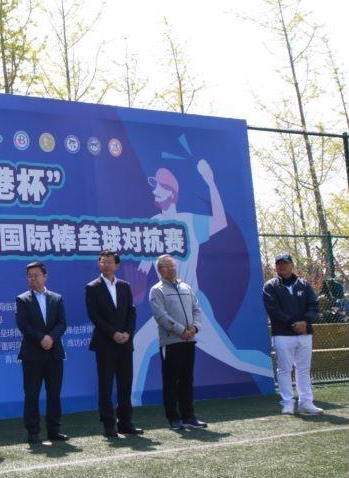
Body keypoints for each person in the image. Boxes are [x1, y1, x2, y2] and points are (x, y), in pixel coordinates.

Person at [131, 160, 273, 405]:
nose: (154, 191)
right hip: (166, 306)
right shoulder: (153, 224)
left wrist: (210, 182)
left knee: (234, 358)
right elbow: (145, 263)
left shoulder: (189, 221)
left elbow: (220, 221)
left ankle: (270, 372)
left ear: (172, 193)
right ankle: (133, 401)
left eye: (159, 187)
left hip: (193, 306)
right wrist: (141, 273)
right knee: (140, 344)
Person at [85, 251, 143, 438]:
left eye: (110, 262)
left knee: (125, 384)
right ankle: (109, 424)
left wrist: (127, 333)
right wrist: (113, 333)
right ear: (99, 264)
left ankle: (125, 423)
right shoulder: (92, 287)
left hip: (125, 343)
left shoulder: (124, 286)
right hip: (105, 344)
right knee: (106, 385)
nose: (106, 265)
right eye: (103, 262)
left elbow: (131, 312)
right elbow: (94, 315)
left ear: (117, 265)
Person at [149, 254, 208, 430]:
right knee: (171, 382)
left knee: (186, 380)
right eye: (167, 266)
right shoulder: (157, 290)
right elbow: (161, 316)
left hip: (189, 341)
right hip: (171, 342)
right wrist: (181, 331)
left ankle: (189, 416)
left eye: (173, 265)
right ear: (160, 270)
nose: (172, 268)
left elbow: (197, 309)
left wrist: (194, 328)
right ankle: (173, 418)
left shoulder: (186, 287)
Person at [262, 253, 323, 415]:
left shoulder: (304, 284)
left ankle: (306, 403)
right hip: (282, 334)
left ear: (291, 265)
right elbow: (273, 310)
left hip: (304, 333)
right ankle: (288, 403)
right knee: (284, 369)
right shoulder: (270, 286)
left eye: (285, 263)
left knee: (304, 369)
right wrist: (292, 323)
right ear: (276, 266)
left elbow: (313, 305)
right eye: (279, 264)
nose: (282, 266)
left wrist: (305, 322)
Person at [15, 261, 68, 444]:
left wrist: (51, 338)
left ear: (45, 276)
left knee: (54, 393)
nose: (33, 279)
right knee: (32, 394)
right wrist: (41, 338)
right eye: (29, 276)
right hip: (32, 354)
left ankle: (54, 430)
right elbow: (23, 325)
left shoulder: (56, 298)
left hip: (54, 353)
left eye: (36, 275)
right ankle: (33, 432)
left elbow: (62, 323)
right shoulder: (22, 299)